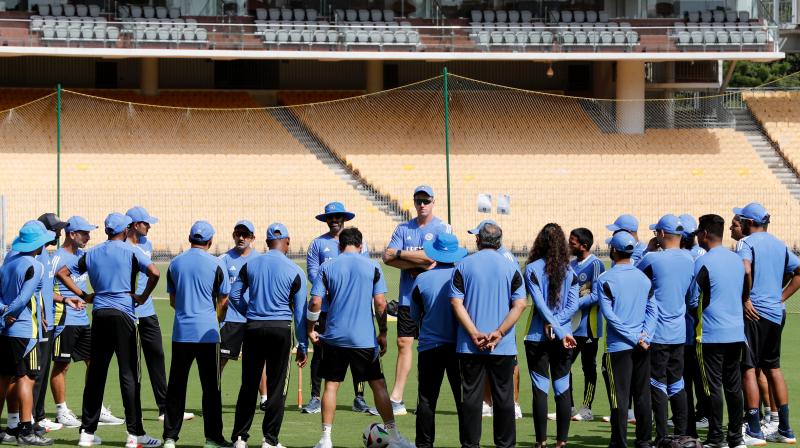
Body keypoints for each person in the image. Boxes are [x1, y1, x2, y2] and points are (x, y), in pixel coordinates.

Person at [56, 212, 162, 448]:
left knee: (96, 374)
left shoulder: (92, 253)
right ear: (125, 230)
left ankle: (87, 433)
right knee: (129, 375)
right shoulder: (131, 251)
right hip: (124, 315)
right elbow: (155, 273)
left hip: (100, 315)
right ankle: (135, 435)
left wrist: (85, 295)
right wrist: (143, 297)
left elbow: (62, 273)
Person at [307, 228, 413, 448]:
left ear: (339, 246)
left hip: (335, 337)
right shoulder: (373, 266)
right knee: (378, 386)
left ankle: (325, 439)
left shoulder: (327, 267)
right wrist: (383, 333)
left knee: (331, 387)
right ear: (361, 245)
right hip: (364, 339)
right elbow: (381, 303)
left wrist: (310, 328)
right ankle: (394, 437)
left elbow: (315, 302)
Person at [229, 223, 308, 448]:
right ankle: (270, 440)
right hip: (281, 329)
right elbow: (300, 313)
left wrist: (250, 312)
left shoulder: (250, 264)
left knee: (249, 384)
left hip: (253, 328)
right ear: (288, 241)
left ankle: (240, 438)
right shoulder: (295, 270)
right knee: (277, 386)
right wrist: (302, 344)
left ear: (265, 242)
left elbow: (235, 295)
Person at [450, 222, 527, 448]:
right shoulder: (510, 267)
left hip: (469, 345)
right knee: (504, 398)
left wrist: (474, 333)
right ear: (500, 242)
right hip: (502, 346)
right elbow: (520, 304)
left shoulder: (463, 266)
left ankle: (470, 444)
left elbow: (456, 302)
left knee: (471, 397)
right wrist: (500, 332)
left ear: (478, 240)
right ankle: (505, 445)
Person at [733, 202, 800, 445]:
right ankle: (785, 429)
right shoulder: (779, 244)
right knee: (773, 367)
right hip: (775, 312)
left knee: (748, 368)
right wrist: (780, 297)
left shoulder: (746, 243)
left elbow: (745, 268)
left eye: (740, 219)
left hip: (755, 313)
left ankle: (752, 430)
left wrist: (745, 298)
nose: (738, 223)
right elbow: (799, 271)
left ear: (750, 223)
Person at [382, 185, 451, 415]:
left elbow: (435, 258)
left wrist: (405, 256)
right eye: (418, 200)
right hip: (407, 298)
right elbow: (388, 257)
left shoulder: (442, 227)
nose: (422, 205)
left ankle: (428, 399)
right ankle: (397, 398)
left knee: (433, 346)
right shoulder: (403, 228)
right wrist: (419, 261)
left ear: (433, 201)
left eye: (426, 201)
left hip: (433, 299)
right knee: (403, 343)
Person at [1, 221, 70, 446]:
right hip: (26, 331)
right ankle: (26, 430)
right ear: (38, 244)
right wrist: (12, 311)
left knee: (5, 377)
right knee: (27, 378)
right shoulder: (36, 265)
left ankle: (11, 428)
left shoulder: (8, 260)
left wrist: (3, 312)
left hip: (6, 330)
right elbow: (24, 297)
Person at [50, 217, 123, 431]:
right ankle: (62, 410)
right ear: (72, 234)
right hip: (64, 319)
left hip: (83, 320)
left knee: (94, 363)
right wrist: (78, 296)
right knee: (62, 366)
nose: (89, 237)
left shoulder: (84, 256)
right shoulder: (57, 258)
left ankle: (95, 408)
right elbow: (46, 289)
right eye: (85, 233)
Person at [162, 221, 230, 448]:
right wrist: (215, 319)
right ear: (210, 242)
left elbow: (173, 300)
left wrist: (186, 312)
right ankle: (213, 438)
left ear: (190, 238)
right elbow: (224, 301)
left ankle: (170, 438)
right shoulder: (216, 264)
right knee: (211, 388)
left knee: (176, 387)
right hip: (208, 335)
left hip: (181, 333)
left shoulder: (175, 264)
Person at [304, 202, 370, 414]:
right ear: (326, 220)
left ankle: (359, 397)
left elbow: (365, 270)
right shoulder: (317, 244)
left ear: (344, 219)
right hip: (326, 310)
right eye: (330, 217)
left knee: (359, 354)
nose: (334, 221)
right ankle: (315, 397)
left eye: (338, 217)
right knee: (320, 354)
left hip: (353, 310)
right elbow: (313, 273)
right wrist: (328, 290)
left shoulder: (360, 243)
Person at [125, 207, 188, 423]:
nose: (149, 226)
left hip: (148, 310)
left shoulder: (147, 244)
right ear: (135, 225)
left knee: (157, 357)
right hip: (129, 313)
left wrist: (144, 297)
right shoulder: (122, 247)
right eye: (146, 223)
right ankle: (134, 413)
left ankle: (165, 409)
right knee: (134, 365)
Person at [635, 214, 694, 443]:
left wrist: (646, 250)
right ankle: (682, 435)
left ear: (660, 234)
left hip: (656, 331)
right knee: (677, 382)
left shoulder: (652, 258)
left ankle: (662, 437)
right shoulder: (690, 260)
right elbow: (692, 296)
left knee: (657, 383)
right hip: (679, 331)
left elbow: (633, 277)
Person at [688, 214, 746, 448]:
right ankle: (736, 437)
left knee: (711, 387)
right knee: (733, 386)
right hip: (736, 333)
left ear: (704, 234)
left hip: (711, 334)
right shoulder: (736, 259)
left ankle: (715, 438)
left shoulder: (703, 261)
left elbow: (693, 299)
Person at [598, 231, 656, 448]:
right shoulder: (643, 278)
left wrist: (633, 337)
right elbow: (653, 311)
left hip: (618, 348)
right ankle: (643, 442)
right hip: (643, 345)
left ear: (613, 250)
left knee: (619, 398)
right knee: (643, 396)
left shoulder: (606, 279)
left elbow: (610, 316)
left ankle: (619, 443)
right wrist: (645, 335)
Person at [409, 233, 467, 448]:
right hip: (460, 346)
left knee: (426, 399)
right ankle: (468, 443)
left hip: (429, 346)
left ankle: (424, 445)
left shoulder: (421, 279)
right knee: (463, 399)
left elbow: (415, 315)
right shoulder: (463, 275)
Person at [524, 223, 579, 448]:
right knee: (562, 388)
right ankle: (562, 442)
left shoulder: (531, 269)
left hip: (537, 336)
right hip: (565, 337)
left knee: (540, 388)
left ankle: (540, 443)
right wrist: (559, 327)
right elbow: (573, 305)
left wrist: (550, 323)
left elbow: (538, 302)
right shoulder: (570, 271)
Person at [466, 220, 523, 421]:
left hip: (502, 320)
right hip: (497, 319)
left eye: (477, 235)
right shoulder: (499, 257)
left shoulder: (505, 258)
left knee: (510, 363)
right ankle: (488, 401)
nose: (475, 239)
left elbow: (517, 295)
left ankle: (514, 403)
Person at [217, 220, 268, 410]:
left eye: (245, 235)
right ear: (233, 235)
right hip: (230, 319)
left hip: (253, 319)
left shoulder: (260, 259)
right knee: (221, 360)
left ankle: (264, 398)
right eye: (237, 233)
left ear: (253, 238)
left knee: (259, 360)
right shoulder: (223, 259)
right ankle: (214, 395)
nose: (241, 238)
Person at [32, 213, 67, 433]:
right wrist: (42, 311)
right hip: (38, 323)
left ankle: (39, 415)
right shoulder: (35, 255)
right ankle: (33, 417)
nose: (60, 233)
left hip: (49, 322)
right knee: (35, 373)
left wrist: (63, 299)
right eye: (56, 229)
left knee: (43, 371)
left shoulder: (45, 253)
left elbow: (45, 290)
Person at [567, 227, 605, 422]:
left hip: (588, 326)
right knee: (564, 366)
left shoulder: (596, 265)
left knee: (588, 367)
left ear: (584, 245)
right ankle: (569, 407)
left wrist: (573, 305)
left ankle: (587, 408)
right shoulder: (570, 265)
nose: (569, 245)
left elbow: (597, 295)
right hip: (569, 327)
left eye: (572, 242)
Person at [677, 214, 708, 438]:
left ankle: (702, 414)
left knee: (695, 373)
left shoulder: (693, 257)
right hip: (696, 323)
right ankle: (696, 413)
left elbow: (692, 297)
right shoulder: (697, 254)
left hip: (694, 323)